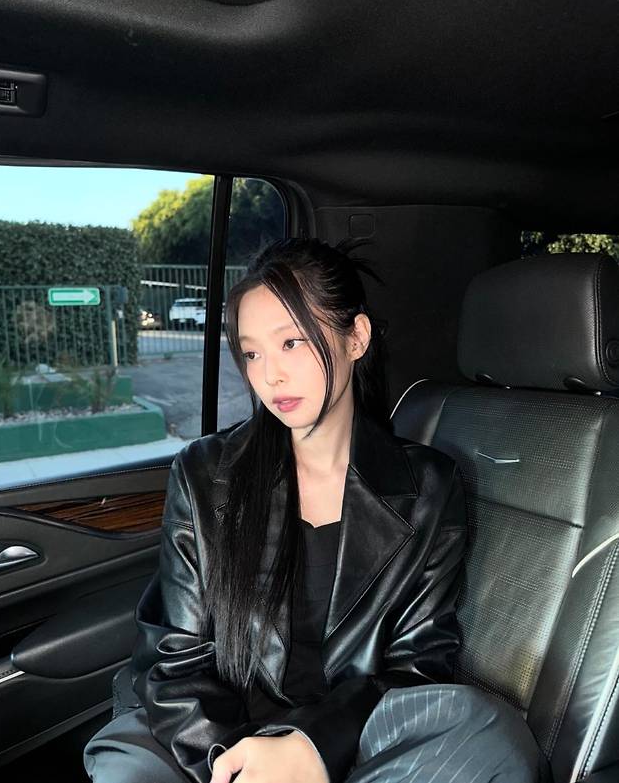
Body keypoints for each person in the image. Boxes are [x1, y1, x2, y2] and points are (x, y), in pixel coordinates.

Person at [84, 237, 551, 783]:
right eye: (252, 353)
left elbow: (417, 667)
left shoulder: (428, 485)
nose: (269, 376)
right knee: (126, 759)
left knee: (483, 731)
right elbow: (174, 656)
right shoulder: (204, 472)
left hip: (349, 743)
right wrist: (235, 765)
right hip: (207, 744)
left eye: (292, 342)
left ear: (357, 337)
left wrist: (313, 746)